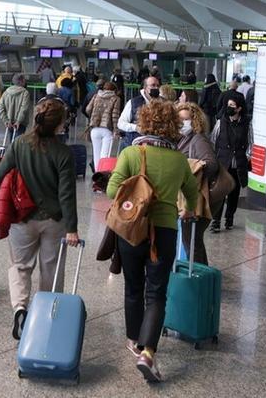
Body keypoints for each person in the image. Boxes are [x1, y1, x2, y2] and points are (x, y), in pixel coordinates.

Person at [107, 100, 198, 383]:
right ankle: (148, 351)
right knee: (156, 293)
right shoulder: (178, 159)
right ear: (172, 126)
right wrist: (187, 209)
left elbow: (112, 190)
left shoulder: (132, 152)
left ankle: (134, 340)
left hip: (132, 231)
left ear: (144, 122)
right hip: (165, 232)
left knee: (133, 287)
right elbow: (192, 194)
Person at [0, 97, 80, 340]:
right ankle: (46, 315)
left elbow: (0, 174)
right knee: (51, 268)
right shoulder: (64, 153)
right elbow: (66, 195)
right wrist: (72, 228)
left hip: (22, 218)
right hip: (54, 221)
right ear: (59, 124)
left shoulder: (19, 143)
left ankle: (20, 309)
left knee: (20, 265)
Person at [176, 102, 219, 262]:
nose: (182, 123)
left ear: (195, 121)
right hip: (191, 196)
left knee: (192, 239)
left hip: (199, 196)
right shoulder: (183, 138)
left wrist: (191, 172)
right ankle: (201, 274)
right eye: (179, 120)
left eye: (185, 120)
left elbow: (212, 164)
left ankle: (199, 276)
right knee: (192, 239)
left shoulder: (198, 139)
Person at [210, 92, 252, 231]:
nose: (229, 108)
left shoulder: (246, 124)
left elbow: (250, 143)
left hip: (237, 165)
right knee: (220, 192)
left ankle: (229, 218)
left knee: (234, 194)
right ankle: (216, 221)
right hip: (223, 164)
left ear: (239, 108)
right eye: (228, 105)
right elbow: (213, 140)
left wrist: (245, 156)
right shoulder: (220, 121)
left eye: (232, 105)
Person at [117, 76, 161, 149]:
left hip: (156, 146)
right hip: (133, 145)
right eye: (153, 85)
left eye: (157, 85)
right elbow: (121, 123)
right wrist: (136, 128)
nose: (156, 88)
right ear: (145, 88)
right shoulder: (133, 103)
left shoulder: (163, 103)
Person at [86, 81, 122, 165]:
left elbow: (88, 109)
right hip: (107, 129)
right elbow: (115, 116)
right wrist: (116, 131)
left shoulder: (96, 96)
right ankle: (102, 176)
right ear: (114, 90)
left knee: (96, 155)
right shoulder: (116, 98)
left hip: (94, 129)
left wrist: (94, 116)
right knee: (105, 156)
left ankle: (96, 175)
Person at [0, 73, 33, 139]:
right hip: (21, 123)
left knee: (11, 141)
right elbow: (24, 108)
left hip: (9, 121)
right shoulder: (25, 93)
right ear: (22, 81)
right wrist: (18, 121)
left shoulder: (6, 92)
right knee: (18, 143)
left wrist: (6, 120)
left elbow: (0, 107)